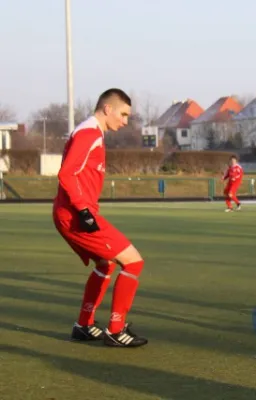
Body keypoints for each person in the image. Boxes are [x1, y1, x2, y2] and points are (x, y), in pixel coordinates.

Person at [53, 88, 148, 347]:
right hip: (75, 215)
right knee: (133, 262)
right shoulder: (89, 132)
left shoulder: (91, 132)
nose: (126, 120)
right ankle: (116, 331)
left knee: (106, 264)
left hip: (71, 213)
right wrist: (83, 210)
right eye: (124, 114)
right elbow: (67, 174)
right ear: (108, 109)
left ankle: (83, 325)